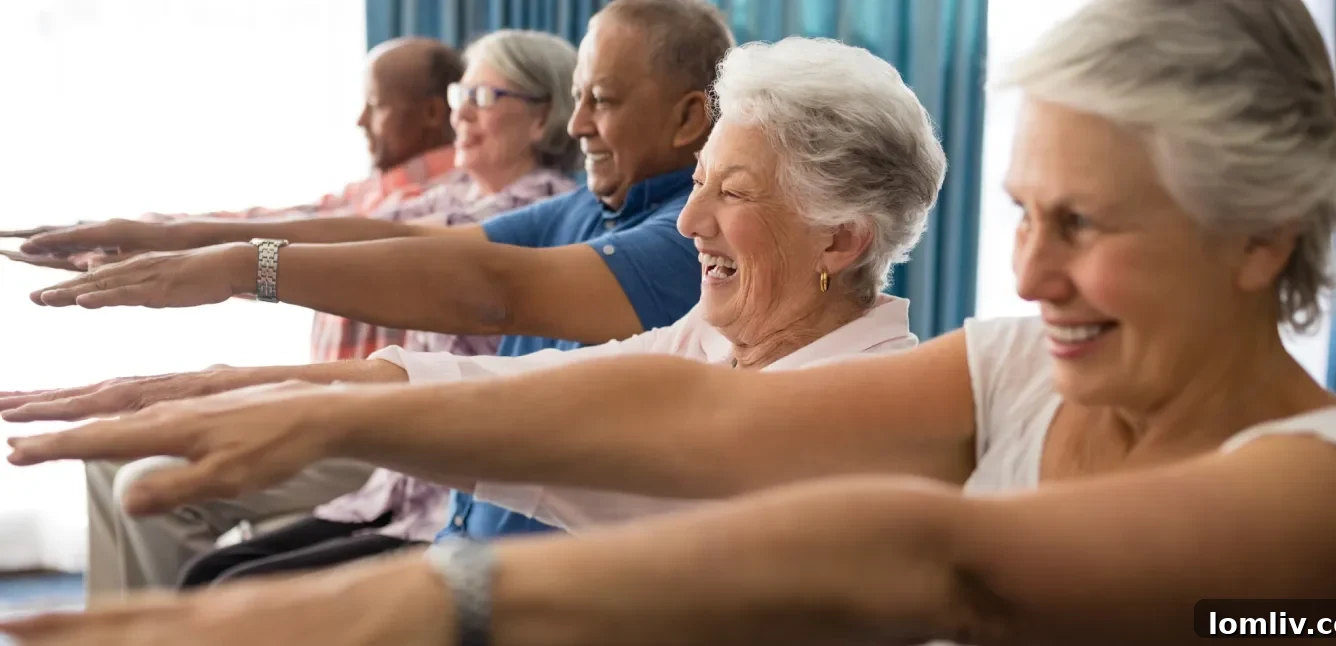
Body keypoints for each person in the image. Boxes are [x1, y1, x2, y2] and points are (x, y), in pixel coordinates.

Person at [5, 2, 1336, 644]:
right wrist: (322, 398)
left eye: (1083, 226)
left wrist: (431, 601)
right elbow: (690, 406)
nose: (1028, 272)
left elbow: (951, 567)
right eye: (1025, 214)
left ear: (1261, 234)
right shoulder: (1010, 365)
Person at [2, 33, 940, 536]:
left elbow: (490, 299)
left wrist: (248, 279)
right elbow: (490, 383)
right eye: (698, 187)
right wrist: (217, 378)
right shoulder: (710, 335)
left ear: (841, 239)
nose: (691, 224)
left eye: (729, 194)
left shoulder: (869, 404)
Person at [1, 0, 732, 595]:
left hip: (543, 574)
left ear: (689, 119)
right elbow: (405, 242)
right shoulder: (587, 212)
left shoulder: (686, 238)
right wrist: (173, 238)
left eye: (599, 101)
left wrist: (235, 279)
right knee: (217, 578)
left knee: (228, 591)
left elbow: (489, 295)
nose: (579, 127)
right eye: (579, 100)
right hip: (461, 524)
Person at [168, 28, 583, 589]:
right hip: (396, 487)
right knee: (212, 574)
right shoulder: (458, 192)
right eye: (461, 96)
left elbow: (376, 250)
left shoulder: (544, 208)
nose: (461, 115)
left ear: (543, 117)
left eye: (483, 98)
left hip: (454, 504)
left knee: (226, 587)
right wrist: (184, 250)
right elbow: (348, 230)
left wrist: (224, 264)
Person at [1, 36, 467, 364]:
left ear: (431, 113)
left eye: (376, 105)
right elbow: (265, 223)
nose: (360, 120)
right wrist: (129, 236)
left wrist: (161, 241)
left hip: (375, 431)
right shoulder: (369, 192)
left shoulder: (454, 200)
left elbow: (284, 240)